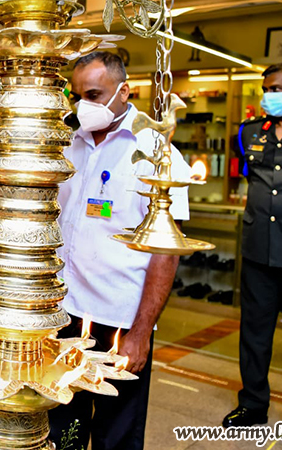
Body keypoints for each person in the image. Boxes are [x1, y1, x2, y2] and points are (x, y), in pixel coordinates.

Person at [48, 51, 190, 450]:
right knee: (62, 427)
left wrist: (140, 333)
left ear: (124, 91)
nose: (84, 106)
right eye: (78, 95)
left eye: (94, 95)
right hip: (64, 312)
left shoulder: (155, 151)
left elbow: (166, 252)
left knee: (116, 433)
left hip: (118, 320)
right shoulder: (70, 143)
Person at [222, 62, 282, 449]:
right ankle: (252, 405)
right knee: (254, 332)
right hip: (257, 249)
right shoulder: (249, 132)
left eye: (277, 88)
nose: (269, 95)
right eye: (266, 88)